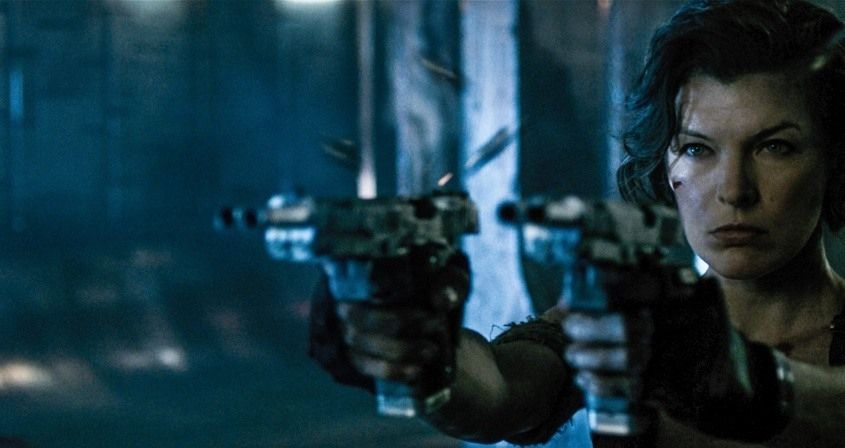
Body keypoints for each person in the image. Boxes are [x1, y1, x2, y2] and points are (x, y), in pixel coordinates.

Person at [310, 0, 845, 446]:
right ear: (667, 167)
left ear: (833, 161)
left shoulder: (662, 339)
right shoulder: (637, 327)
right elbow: (500, 390)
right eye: (697, 149)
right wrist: (420, 349)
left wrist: (756, 383)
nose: (734, 189)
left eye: (775, 147)